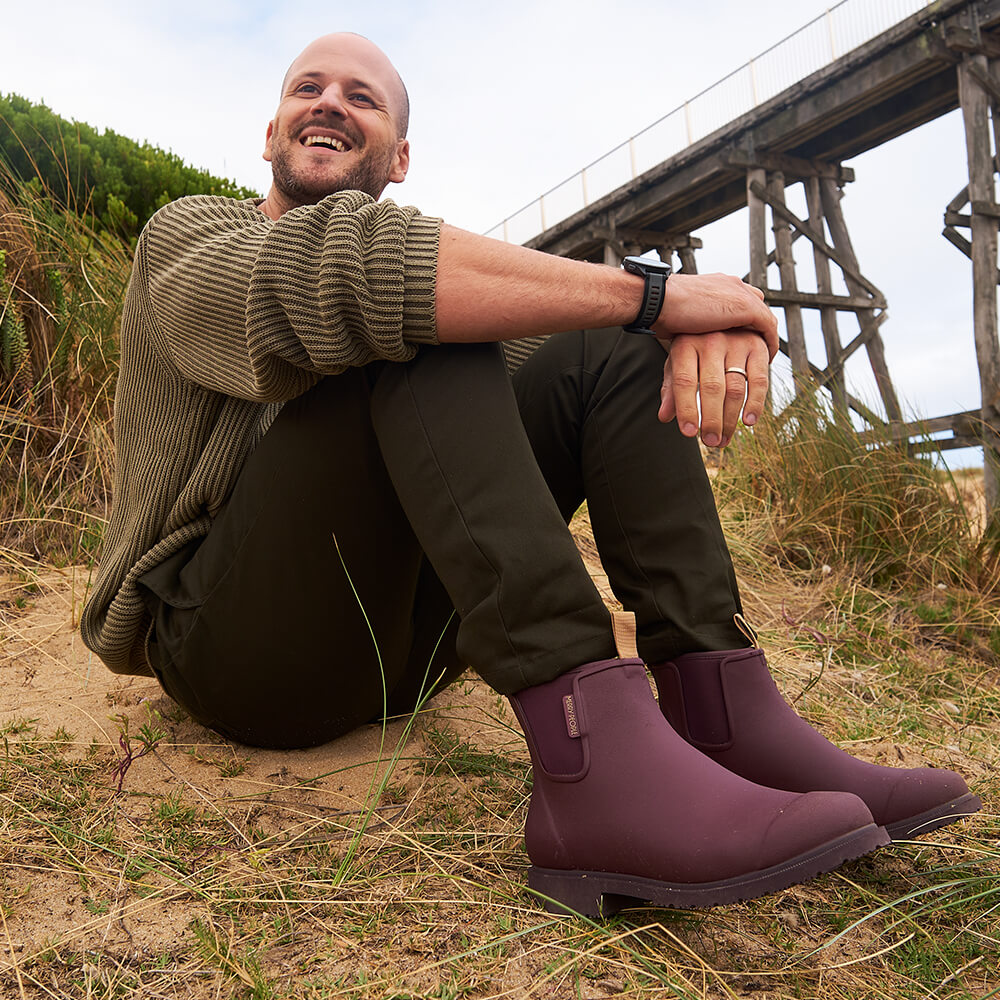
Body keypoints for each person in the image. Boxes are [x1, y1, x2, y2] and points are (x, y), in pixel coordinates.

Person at [81, 32, 980, 917]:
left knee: (609, 353)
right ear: (270, 133)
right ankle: (595, 770)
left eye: (363, 97)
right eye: (307, 88)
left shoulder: (415, 253)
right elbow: (347, 276)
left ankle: (722, 710)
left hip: (405, 660)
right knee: (425, 319)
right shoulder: (191, 236)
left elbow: (584, 335)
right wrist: (662, 294)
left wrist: (707, 321)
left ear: (398, 157)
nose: (329, 103)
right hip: (234, 654)